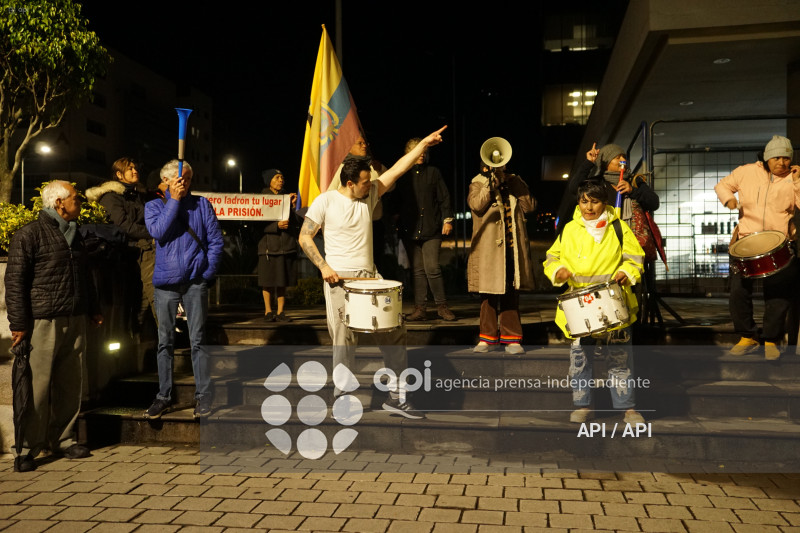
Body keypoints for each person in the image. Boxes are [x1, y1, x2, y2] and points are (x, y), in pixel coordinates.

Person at [299, 125, 447, 419]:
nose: (372, 185)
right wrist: (324, 266)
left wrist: (424, 144)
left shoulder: (369, 195)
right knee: (344, 341)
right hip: (340, 281)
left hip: (370, 277)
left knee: (394, 333)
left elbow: (397, 170)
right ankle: (342, 397)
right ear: (350, 182)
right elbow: (305, 236)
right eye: (366, 182)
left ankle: (398, 396)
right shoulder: (326, 201)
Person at [5, 181, 103, 472]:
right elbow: (15, 282)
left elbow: (86, 277)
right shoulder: (30, 234)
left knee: (70, 385)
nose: (80, 201)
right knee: (35, 387)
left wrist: (93, 308)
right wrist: (19, 324)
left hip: (73, 318)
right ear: (59, 202)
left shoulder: (75, 234)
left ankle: (63, 439)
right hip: (42, 320)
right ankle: (25, 449)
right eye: (75, 197)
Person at [543, 180, 646, 424]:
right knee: (580, 360)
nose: (589, 207)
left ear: (605, 202)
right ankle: (583, 405)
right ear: (578, 202)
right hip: (579, 307)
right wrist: (557, 271)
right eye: (584, 201)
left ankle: (628, 408)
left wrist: (627, 273)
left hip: (613, 304)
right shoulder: (569, 229)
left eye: (595, 201)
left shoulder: (618, 227)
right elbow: (552, 257)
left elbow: (634, 258)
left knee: (620, 359)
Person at [143, 159, 224, 419]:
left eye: (188, 178)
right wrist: (174, 201)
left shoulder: (202, 204)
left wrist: (206, 273)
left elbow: (215, 241)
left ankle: (203, 396)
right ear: (166, 181)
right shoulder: (154, 205)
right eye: (180, 178)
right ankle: (163, 396)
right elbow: (159, 231)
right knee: (164, 341)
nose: (185, 182)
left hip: (194, 281)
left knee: (198, 340)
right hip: (166, 283)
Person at [714, 135, 800, 360]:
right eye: (777, 157)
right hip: (746, 240)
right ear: (766, 156)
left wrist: (798, 181)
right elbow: (722, 185)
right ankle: (747, 336)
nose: (782, 162)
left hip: (778, 242)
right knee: (739, 291)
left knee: (778, 293)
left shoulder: (793, 178)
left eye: (786, 158)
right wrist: (728, 200)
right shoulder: (746, 171)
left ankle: (771, 339)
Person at [467, 161, 536, 354]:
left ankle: (512, 338)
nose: (499, 167)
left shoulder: (514, 183)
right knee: (488, 294)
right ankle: (487, 338)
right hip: (489, 249)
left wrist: (516, 183)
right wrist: (491, 184)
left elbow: (529, 206)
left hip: (512, 247)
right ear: (484, 166)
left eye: (502, 164)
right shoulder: (478, 183)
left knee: (511, 292)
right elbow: (476, 205)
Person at [86, 157, 155, 333]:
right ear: (119, 174)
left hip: (139, 251)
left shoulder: (137, 195)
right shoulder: (111, 197)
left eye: (136, 168)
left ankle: (141, 337)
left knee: (145, 299)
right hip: (124, 256)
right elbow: (123, 226)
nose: (135, 171)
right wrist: (153, 232)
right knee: (132, 301)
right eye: (130, 169)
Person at [394, 137, 456, 322]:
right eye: (417, 151)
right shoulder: (403, 175)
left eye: (424, 151)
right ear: (408, 154)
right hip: (410, 229)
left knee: (432, 268)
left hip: (432, 228)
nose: (421, 155)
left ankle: (442, 307)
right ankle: (420, 309)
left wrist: (447, 220)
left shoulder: (433, 172)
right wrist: (395, 216)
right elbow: (396, 199)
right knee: (417, 271)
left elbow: (444, 198)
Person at [329, 135, 391, 271]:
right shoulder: (342, 169)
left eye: (366, 143)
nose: (364, 146)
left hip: (373, 224)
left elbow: (391, 187)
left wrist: (381, 170)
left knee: (375, 262)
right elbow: (330, 193)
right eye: (360, 143)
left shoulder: (374, 166)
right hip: (349, 226)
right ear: (349, 147)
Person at [258, 169, 301, 322]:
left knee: (283, 281)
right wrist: (276, 226)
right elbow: (256, 225)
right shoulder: (261, 199)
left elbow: (296, 224)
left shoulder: (286, 198)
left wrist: (294, 207)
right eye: (277, 177)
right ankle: (268, 312)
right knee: (268, 281)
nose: (281, 180)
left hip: (286, 246)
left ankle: (281, 312)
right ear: (269, 181)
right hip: (268, 248)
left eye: (282, 177)